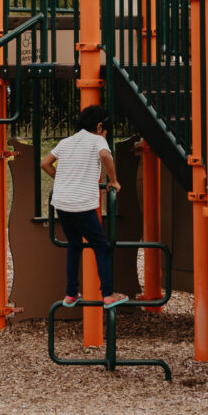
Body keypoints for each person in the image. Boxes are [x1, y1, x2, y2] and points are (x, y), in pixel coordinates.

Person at [44, 103, 123, 308]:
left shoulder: (66, 141)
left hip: (61, 203)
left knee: (74, 245)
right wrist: (113, 181)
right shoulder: (97, 141)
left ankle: (71, 293)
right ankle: (107, 294)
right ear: (99, 127)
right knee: (101, 246)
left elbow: (44, 163)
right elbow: (105, 155)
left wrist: (62, 180)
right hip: (82, 205)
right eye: (105, 131)